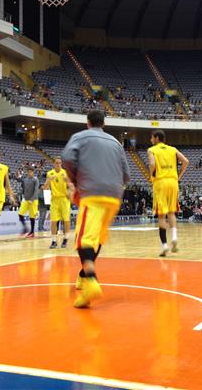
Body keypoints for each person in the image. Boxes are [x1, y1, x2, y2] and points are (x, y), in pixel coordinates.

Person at [61, 110, 130, 308]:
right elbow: (126, 175)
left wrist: (76, 179)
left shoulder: (80, 137)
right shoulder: (116, 143)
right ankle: (84, 276)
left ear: (88, 123)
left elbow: (67, 158)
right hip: (114, 196)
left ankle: (91, 281)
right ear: (103, 123)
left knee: (83, 240)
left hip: (92, 193)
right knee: (96, 238)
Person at [147, 129, 189, 257]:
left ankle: (164, 245)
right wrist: (178, 176)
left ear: (156, 138)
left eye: (152, 137)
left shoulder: (152, 150)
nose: (151, 140)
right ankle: (174, 237)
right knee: (171, 212)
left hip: (160, 182)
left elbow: (152, 164)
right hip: (173, 182)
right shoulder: (173, 149)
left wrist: (151, 175)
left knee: (161, 215)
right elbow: (186, 161)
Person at [43, 157, 75, 249]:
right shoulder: (50, 174)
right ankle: (54, 241)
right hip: (54, 200)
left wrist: (68, 182)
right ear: (54, 164)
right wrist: (48, 181)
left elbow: (72, 187)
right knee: (53, 221)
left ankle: (65, 239)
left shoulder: (65, 173)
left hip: (64, 199)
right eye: (56, 163)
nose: (58, 164)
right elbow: (45, 188)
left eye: (60, 163)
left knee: (66, 220)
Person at [18, 166, 40, 238]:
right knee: (20, 214)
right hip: (26, 199)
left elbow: (36, 190)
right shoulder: (25, 180)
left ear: (33, 172)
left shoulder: (35, 180)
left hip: (33, 200)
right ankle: (25, 228)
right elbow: (24, 189)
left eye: (31, 172)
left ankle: (32, 232)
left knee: (32, 217)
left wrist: (32, 199)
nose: (29, 173)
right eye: (28, 172)